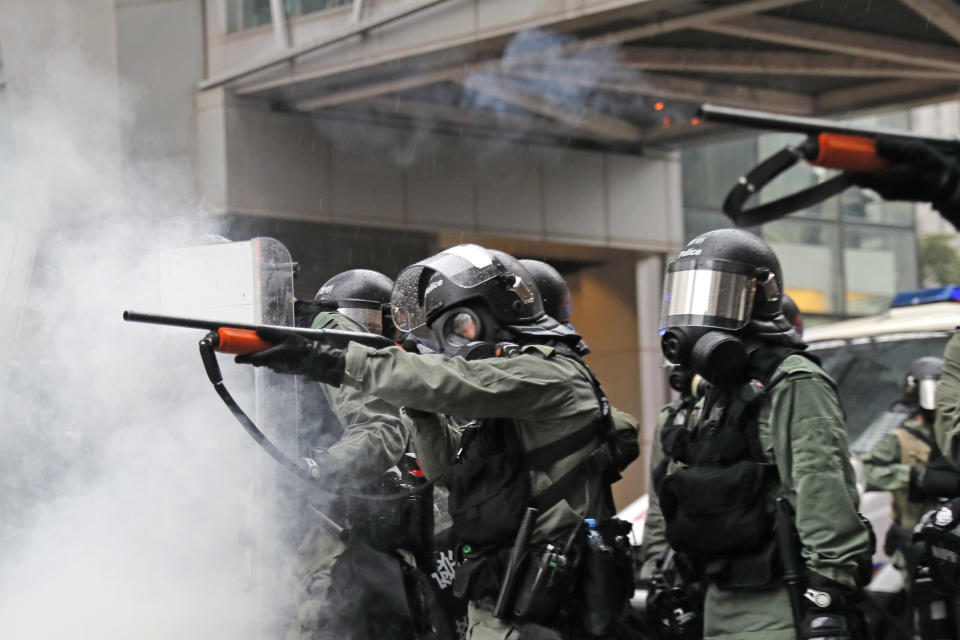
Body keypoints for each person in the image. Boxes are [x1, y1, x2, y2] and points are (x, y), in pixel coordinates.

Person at [238, 244, 636, 640]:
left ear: (498, 312)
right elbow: (444, 471)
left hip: (548, 609)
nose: (454, 343)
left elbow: (448, 380)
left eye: (461, 327)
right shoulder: (509, 404)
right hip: (504, 602)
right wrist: (421, 410)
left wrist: (332, 359)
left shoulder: (550, 374)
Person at [655, 228, 871, 640]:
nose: (697, 313)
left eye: (715, 295)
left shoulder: (793, 380)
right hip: (717, 595)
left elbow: (822, 486)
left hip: (778, 599)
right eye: (689, 296)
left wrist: (829, 588)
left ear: (759, 297)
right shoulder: (717, 388)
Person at [289, 268, 416, 640]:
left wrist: (318, 467)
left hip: (337, 548)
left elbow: (381, 433)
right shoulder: (326, 347)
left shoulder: (336, 347)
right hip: (326, 544)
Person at [860, 357, 943, 581]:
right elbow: (865, 471)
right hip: (917, 541)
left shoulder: (951, 436)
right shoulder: (900, 438)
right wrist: (913, 476)